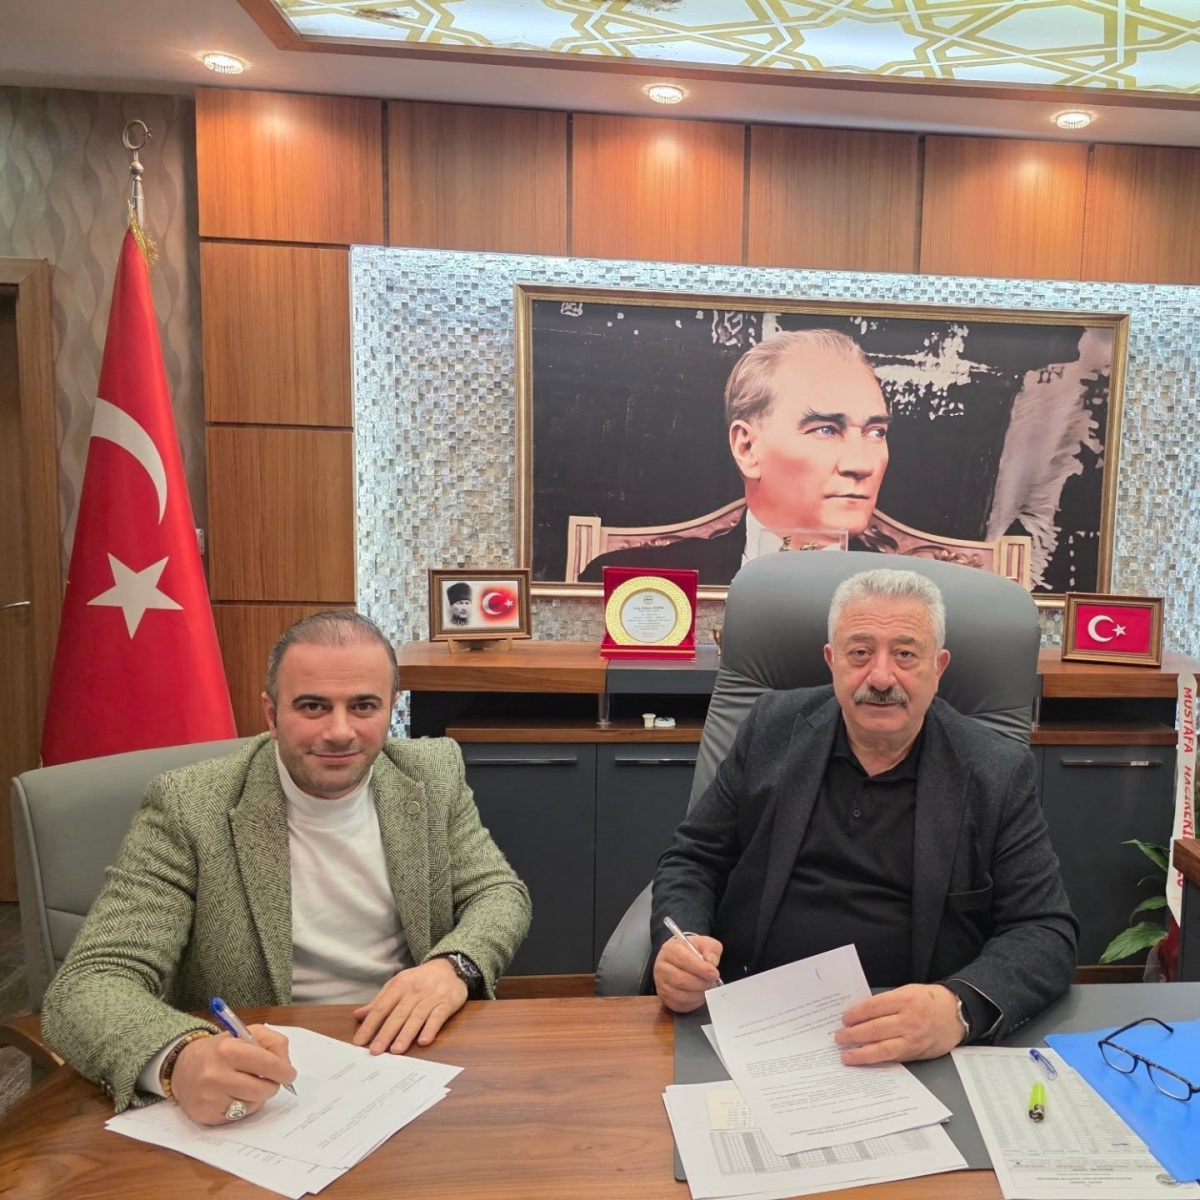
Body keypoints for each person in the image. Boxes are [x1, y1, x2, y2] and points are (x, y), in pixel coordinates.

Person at [42, 611, 532, 1123]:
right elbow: (88, 983)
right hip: (264, 1076)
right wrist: (178, 1058)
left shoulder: (432, 773)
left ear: (391, 708)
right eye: (313, 706)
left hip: (412, 1055)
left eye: (363, 706)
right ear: (272, 715)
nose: (339, 731)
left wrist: (453, 966)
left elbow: (498, 892)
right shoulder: (190, 805)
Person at [650, 568, 1077, 1063]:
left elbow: (1044, 929)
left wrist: (958, 1007)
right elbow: (694, 859)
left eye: (905, 654)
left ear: (938, 667)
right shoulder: (772, 728)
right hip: (752, 1014)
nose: (881, 678)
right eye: (859, 653)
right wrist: (681, 944)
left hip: (906, 1038)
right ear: (831, 660)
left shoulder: (995, 770)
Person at [579, 329, 892, 582]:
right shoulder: (634, 583)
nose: (862, 464)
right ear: (747, 448)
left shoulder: (912, 593)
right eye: (825, 430)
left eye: (876, 432)